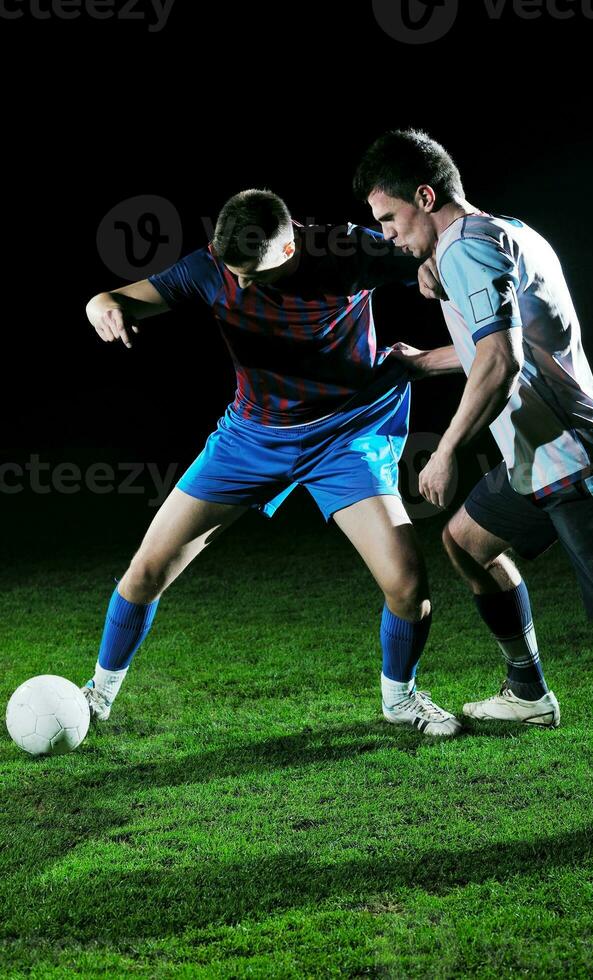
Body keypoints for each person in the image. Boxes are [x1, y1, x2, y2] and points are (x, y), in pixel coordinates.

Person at [82, 188, 464, 737]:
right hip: (252, 439)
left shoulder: (352, 254)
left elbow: (442, 248)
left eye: (252, 275)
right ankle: (97, 696)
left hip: (345, 436)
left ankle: (400, 699)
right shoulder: (211, 269)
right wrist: (104, 308)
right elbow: (111, 297)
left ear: (287, 252)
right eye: (232, 272)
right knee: (145, 570)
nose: (238, 284)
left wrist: (427, 267)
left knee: (407, 583)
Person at [354, 129, 593, 728]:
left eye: (389, 217)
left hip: (573, 461)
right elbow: (498, 343)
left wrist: (444, 453)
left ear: (424, 196)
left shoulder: (469, 247)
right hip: (534, 464)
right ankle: (528, 692)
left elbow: (500, 360)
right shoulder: (506, 232)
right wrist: (418, 362)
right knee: (465, 543)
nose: (385, 233)